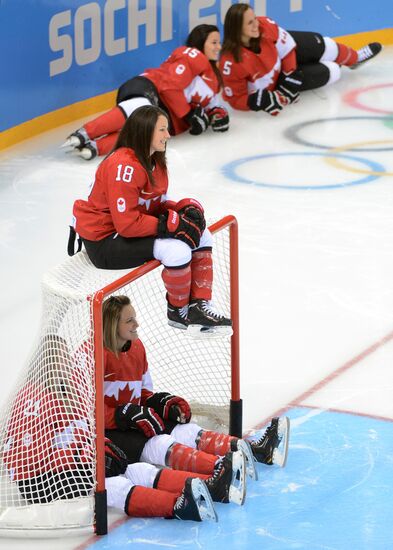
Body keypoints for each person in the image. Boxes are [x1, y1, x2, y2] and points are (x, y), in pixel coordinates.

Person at [1, 334, 231, 521]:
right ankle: (178, 507)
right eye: (60, 357)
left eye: (66, 356)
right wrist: (79, 456)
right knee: (115, 486)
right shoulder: (31, 398)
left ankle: (208, 485)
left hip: (69, 469)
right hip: (43, 481)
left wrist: (99, 447)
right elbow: (22, 459)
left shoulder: (67, 393)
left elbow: (80, 433)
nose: (67, 363)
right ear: (46, 362)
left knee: (139, 470)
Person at [93, 295, 290, 488]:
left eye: (134, 317)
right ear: (112, 325)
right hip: (107, 431)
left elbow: (142, 393)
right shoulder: (94, 355)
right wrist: (121, 416)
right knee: (159, 444)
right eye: (129, 321)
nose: (137, 324)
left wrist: (161, 402)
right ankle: (219, 469)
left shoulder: (136, 347)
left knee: (184, 430)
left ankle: (255, 451)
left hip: (133, 420)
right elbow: (85, 410)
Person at [70, 105, 232, 336]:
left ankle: (199, 307)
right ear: (145, 131)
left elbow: (152, 206)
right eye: (162, 130)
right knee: (176, 251)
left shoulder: (155, 161)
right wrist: (169, 225)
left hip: (122, 231)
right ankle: (179, 312)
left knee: (201, 233)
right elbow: (126, 224)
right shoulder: (124, 166)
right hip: (104, 241)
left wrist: (179, 211)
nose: (168, 135)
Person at [62, 24, 229, 160]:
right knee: (141, 108)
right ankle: (85, 133)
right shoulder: (194, 56)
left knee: (143, 136)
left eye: (219, 42)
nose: (219, 47)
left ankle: (94, 148)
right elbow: (169, 86)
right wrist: (188, 115)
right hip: (149, 91)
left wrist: (217, 116)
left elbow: (213, 106)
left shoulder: (213, 78)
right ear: (199, 43)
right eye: (213, 42)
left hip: (166, 114)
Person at [219, 3, 382, 115]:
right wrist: (261, 100)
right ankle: (338, 65)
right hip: (276, 82)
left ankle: (355, 59)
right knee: (332, 71)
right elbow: (235, 99)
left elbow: (288, 47)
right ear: (237, 28)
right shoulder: (230, 62)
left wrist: (291, 73)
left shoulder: (265, 26)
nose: (256, 24)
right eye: (250, 23)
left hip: (285, 59)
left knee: (328, 45)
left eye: (254, 18)